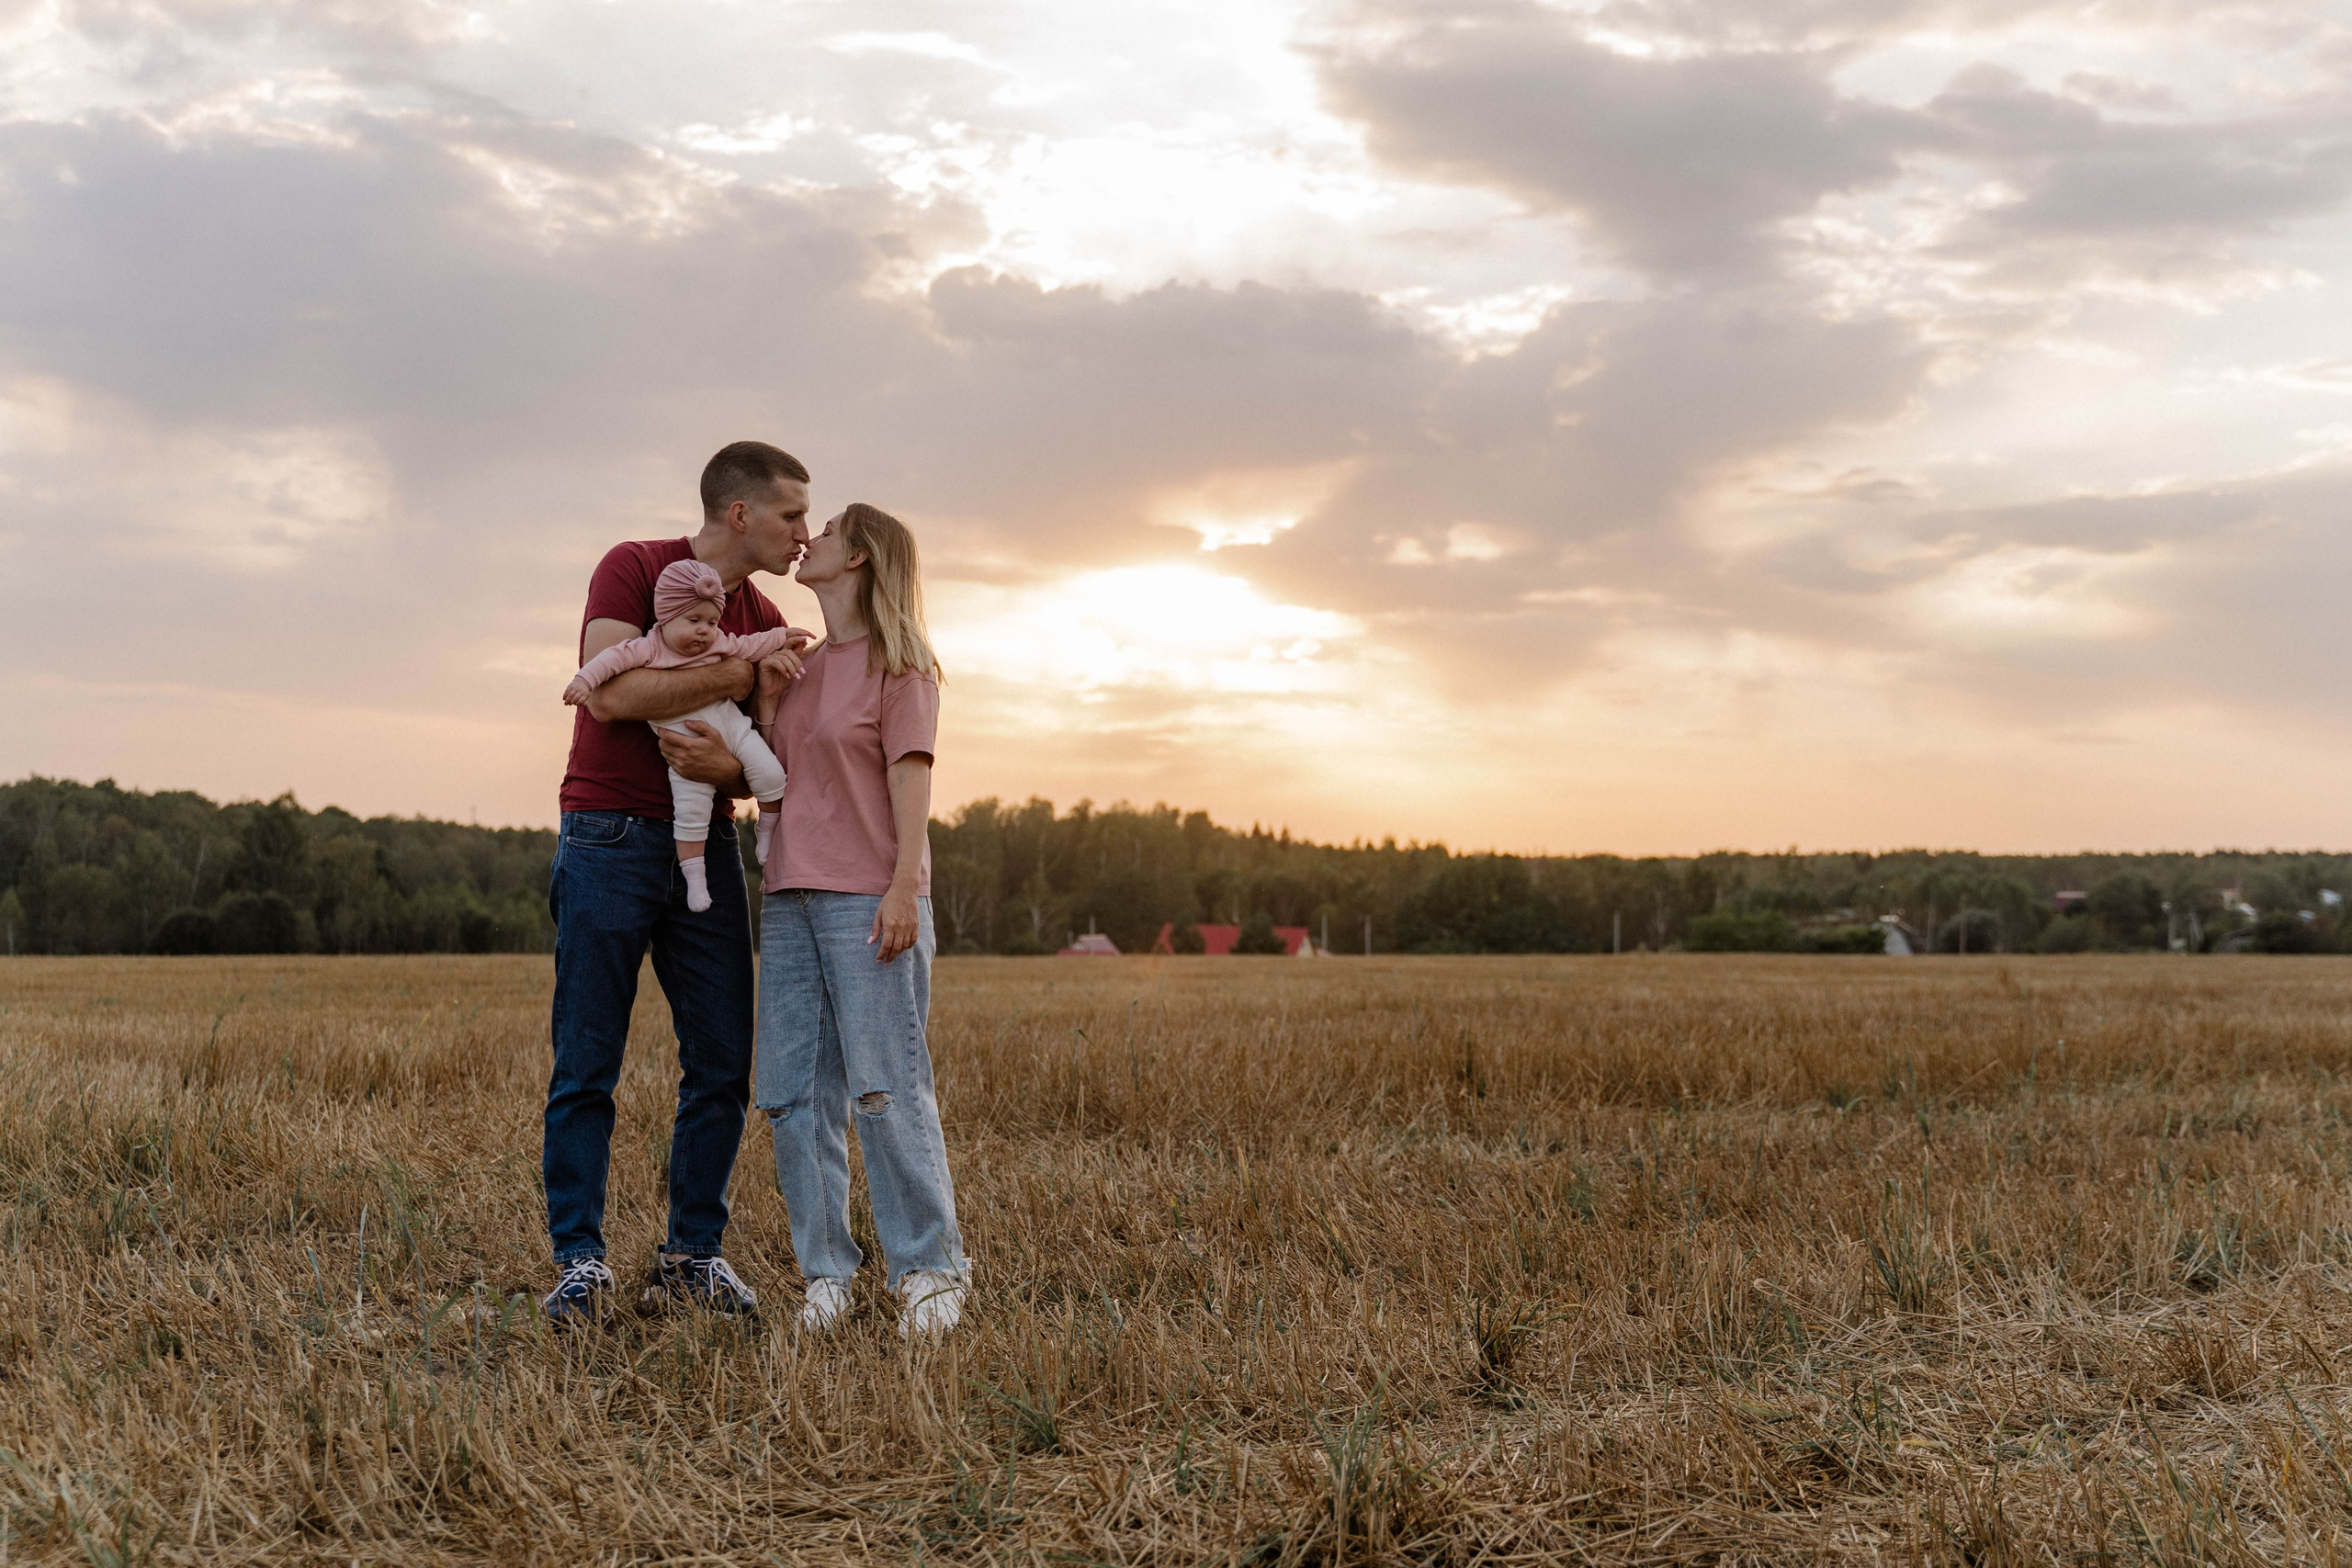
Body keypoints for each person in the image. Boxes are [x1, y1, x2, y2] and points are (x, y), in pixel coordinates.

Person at [541, 440, 811, 1327]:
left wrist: (724, 766)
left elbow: (760, 762)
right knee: (587, 1062)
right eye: (790, 515)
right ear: (740, 514)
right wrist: (739, 670)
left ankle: (693, 1255)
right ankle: (581, 1261)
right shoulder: (634, 567)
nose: (802, 534)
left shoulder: (763, 607)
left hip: (709, 846)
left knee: (723, 1062)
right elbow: (611, 695)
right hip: (608, 834)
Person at [752, 502, 970, 1338]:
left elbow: (911, 780)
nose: (811, 537)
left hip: (868, 895)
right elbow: (782, 778)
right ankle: (827, 1273)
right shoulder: (799, 670)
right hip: (788, 898)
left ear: (864, 559)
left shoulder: (902, 664)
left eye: (832, 528)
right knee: (793, 1094)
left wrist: (903, 885)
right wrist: (769, 704)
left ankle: (931, 1267)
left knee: (886, 1086)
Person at [561, 558, 811, 908]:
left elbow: (751, 645)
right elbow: (608, 662)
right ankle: (696, 882)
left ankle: (766, 833)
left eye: (711, 622)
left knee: (772, 776)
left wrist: (782, 637)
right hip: (683, 751)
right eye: (693, 621)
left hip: (734, 733)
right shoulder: (649, 648)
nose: (704, 631)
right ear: (666, 618)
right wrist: (582, 682)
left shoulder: (718, 643)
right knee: (691, 818)